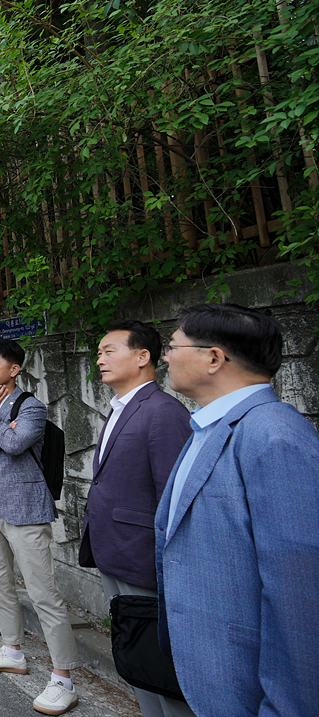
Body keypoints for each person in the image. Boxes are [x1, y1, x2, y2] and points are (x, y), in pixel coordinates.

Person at [156, 304, 319, 717]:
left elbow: (299, 593)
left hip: (248, 689)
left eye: (174, 346)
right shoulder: (210, 426)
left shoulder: (274, 435)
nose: (166, 356)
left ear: (214, 358)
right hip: (207, 674)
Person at [0, 338, 78, 716]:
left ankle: (63, 679)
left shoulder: (31, 407)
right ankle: (11, 650)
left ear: (14, 369)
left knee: (43, 593)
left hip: (24, 509)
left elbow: (17, 442)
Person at [80, 320, 194, 717]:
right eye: (98, 353)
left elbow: (173, 495)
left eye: (109, 351)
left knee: (159, 662)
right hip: (116, 551)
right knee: (136, 656)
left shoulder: (163, 412)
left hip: (144, 557)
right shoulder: (121, 408)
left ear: (143, 357)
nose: (100, 360)